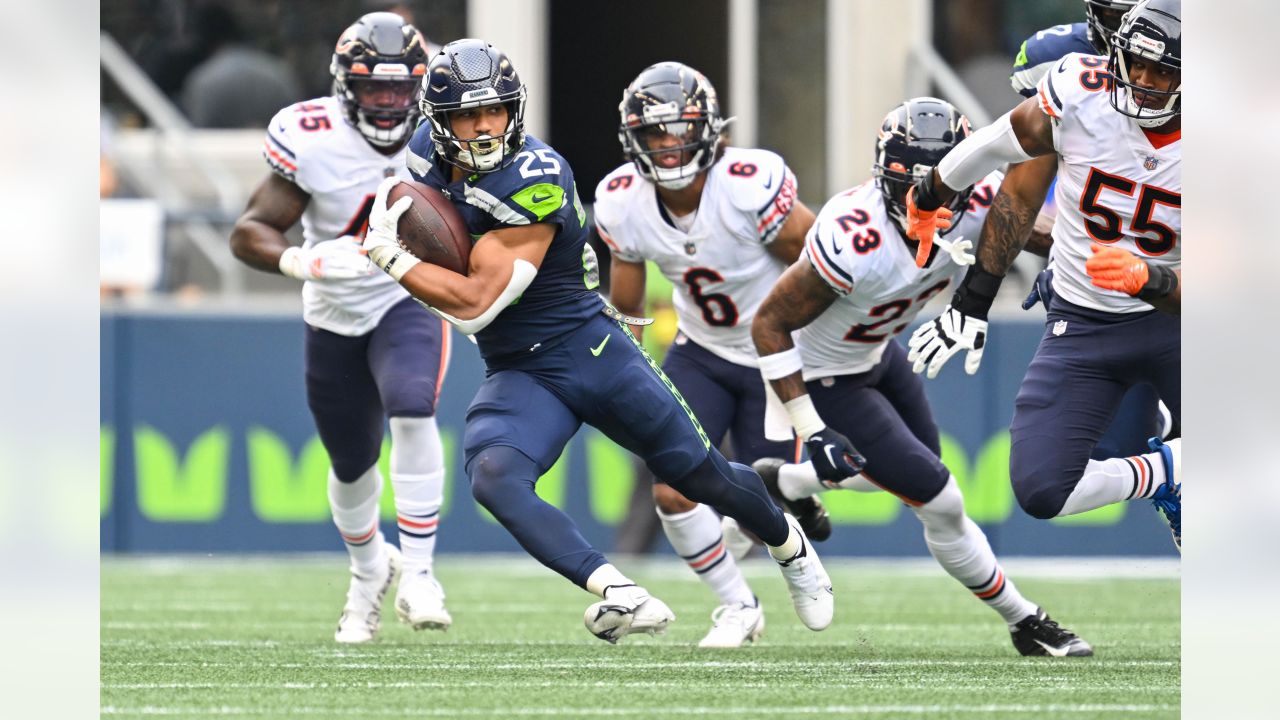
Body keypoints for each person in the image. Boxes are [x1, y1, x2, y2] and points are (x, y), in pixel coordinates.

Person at [361, 38, 834, 643]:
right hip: (520, 368)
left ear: (516, 110)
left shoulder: (537, 175)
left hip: (589, 347)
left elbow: (478, 304)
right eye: (465, 115)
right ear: (438, 120)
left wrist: (388, 255)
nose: (482, 127)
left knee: (700, 475)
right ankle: (620, 592)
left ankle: (791, 549)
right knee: (494, 475)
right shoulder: (426, 156)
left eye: (494, 111)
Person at [751, 97, 1091, 657]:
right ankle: (1024, 620)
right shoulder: (854, 236)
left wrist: (1124, 262)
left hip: (877, 354)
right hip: (824, 375)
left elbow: (1050, 233)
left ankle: (787, 483)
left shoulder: (978, 197)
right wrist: (812, 429)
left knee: (917, 475)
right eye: (903, 186)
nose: (918, 203)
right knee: (942, 501)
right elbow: (767, 325)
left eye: (931, 185)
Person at [903, 0, 1181, 549]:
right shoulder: (1078, 82)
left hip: (1177, 320)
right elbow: (1001, 151)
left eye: (1163, 70)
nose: (1143, 82)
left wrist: (1151, 279)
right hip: (1085, 320)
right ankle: (1169, 469)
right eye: (1135, 64)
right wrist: (933, 191)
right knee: (1040, 488)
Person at [229, 13, 452, 643]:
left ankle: (422, 574)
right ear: (344, 86)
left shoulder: (443, 134)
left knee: (414, 406)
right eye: (373, 88)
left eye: (400, 88)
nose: (388, 102)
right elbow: (249, 231)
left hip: (405, 296)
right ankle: (368, 574)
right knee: (352, 462)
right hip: (332, 310)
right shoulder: (312, 135)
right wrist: (297, 258)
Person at [594, 62, 830, 648]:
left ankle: (796, 504)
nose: (670, 148)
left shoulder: (749, 184)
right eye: (656, 135)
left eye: (682, 130)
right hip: (700, 350)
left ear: (709, 129)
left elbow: (825, 262)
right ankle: (738, 606)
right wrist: (627, 361)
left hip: (775, 355)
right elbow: (627, 297)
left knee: (763, 497)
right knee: (671, 485)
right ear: (633, 140)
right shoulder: (623, 201)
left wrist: (828, 346)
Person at [1011, 0, 1176, 459]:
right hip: (1094, 271)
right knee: (1107, 453)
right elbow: (1018, 186)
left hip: (1175, 262)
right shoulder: (1063, 63)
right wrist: (1068, 256)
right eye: (1115, 13)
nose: (1127, 28)